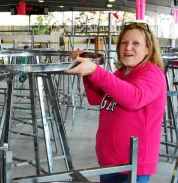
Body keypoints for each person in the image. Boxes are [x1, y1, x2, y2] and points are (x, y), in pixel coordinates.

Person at [66, 22, 166, 183]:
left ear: (148, 49)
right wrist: (86, 68)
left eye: (136, 43)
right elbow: (95, 98)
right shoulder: (121, 73)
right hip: (110, 160)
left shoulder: (152, 73)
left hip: (133, 163)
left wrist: (96, 71)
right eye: (124, 43)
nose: (128, 48)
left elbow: (134, 98)